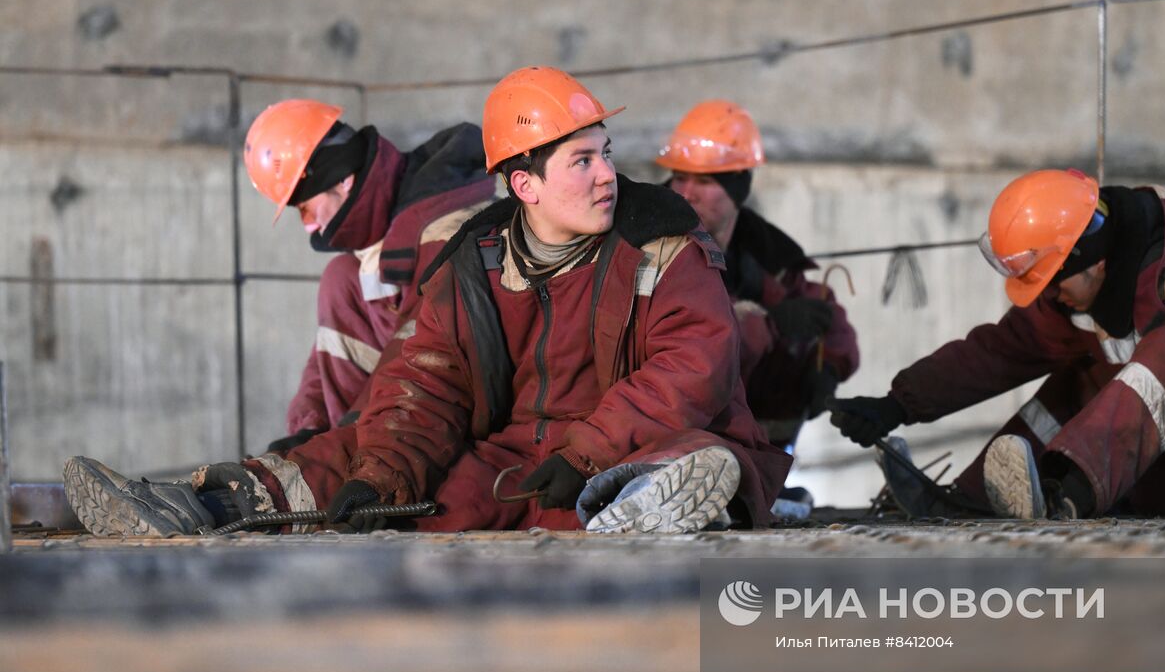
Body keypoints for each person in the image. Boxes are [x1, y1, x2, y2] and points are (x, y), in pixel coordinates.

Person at [66, 68, 790, 536]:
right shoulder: (474, 259)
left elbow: (696, 362)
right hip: (525, 454)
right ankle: (206, 504)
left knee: (689, 456)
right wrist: (380, 478)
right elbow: (424, 382)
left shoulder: (659, 237)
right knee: (379, 458)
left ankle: (657, 499)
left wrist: (590, 449)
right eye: (583, 159)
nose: (608, 174)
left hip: (628, 439)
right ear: (526, 186)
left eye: (604, 150)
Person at [828, 168, 1165, 519]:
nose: (1052, 295)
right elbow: (1003, 349)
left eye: (1054, 279)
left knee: (1164, 357)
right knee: (1086, 374)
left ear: (1093, 260)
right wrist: (897, 404)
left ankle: (1064, 492)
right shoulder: (1086, 283)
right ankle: (972, 499)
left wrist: (1094, 481)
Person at [242, 100, 498, 452]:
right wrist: (309, 431)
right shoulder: (384, 242)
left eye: (304, 207)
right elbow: (329, 358)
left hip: (467, 423)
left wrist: (346, 443)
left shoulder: (444, 232)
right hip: (402, 414)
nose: (309, 226)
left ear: (344, 180)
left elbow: (422, 351)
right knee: (341, 277)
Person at [657, 100, 859, 448]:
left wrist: (831, 365)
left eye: (703, 181)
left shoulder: (765, 252)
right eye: (679, 177)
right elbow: (698, 341)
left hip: (754, 445)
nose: (686, 193)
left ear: (738, 190)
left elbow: (823, 309)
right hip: (675, 436)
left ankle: (763, 473)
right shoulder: (650, 244)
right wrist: (769, 324)